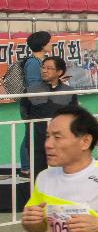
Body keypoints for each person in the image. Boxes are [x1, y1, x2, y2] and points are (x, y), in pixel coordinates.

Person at [27, 56, 80, 177]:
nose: (44, 71)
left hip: (61, 141)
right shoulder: (31, 90)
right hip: (37, 141)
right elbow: (25, 114)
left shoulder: (68, 92)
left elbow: (73, 115)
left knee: (63, 174)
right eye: (43, 67)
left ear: (59, 72)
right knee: (38, 176)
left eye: (49, 68)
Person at [15, 30, 52, 176]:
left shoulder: (39, 62)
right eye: (49, 41)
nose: (51, 43)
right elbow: (33, 85)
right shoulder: (32, 63)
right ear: (42, 45)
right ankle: (25, 167)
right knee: (29, 134)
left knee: (35, 133)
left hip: (38, 101)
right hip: (31, 103)